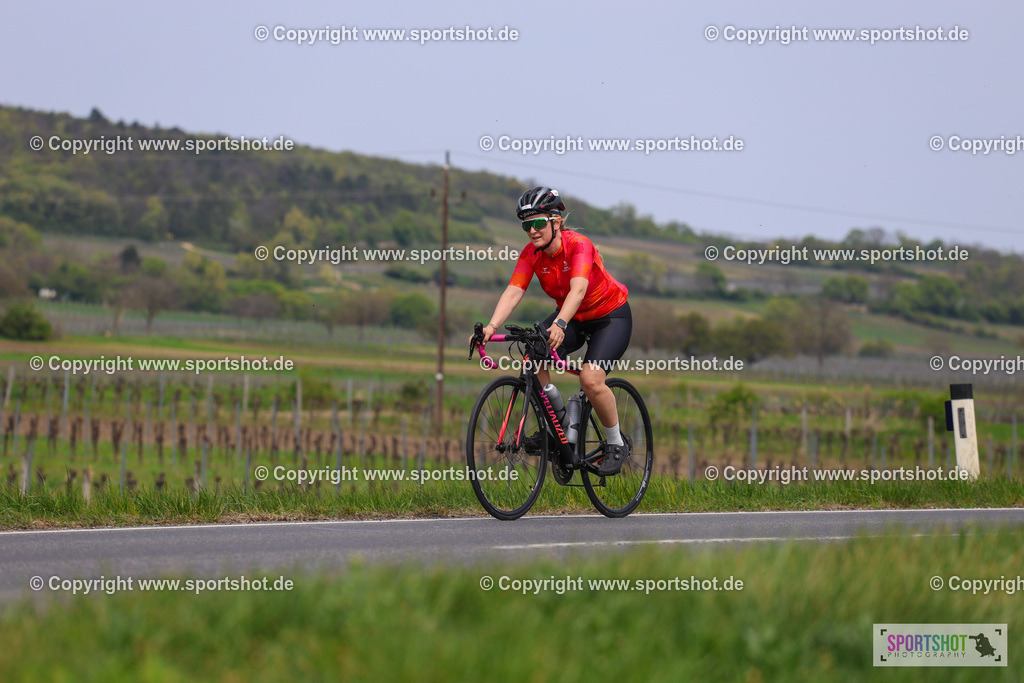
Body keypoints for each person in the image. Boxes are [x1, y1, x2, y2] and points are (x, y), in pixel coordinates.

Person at [478, 186, 633, 475]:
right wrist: (491, 326)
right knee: (534, 351)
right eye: (527, 225)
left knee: (590, 379)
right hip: (573, 316)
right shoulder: (531, 254)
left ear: (555, 221)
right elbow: (514, 290)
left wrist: (560, 323)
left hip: (609, 317)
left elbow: (579, 289)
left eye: (538, 223)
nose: (533, 231)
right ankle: (558, 425)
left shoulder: (578, 245)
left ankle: (616, 444)